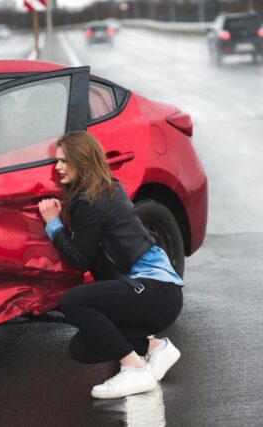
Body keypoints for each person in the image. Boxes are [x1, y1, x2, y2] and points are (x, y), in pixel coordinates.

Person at [38, 131, 184, 400]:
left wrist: (53, 224)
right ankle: (156, 347)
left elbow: (81, 259)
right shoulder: (108, 186)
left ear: (81, 160)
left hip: (154, 290)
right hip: (161, 295)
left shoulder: (89, 200)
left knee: (72, 302)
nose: (57, 167)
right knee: (82, 347)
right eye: (56, 160)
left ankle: (135, 369)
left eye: (63, 161)